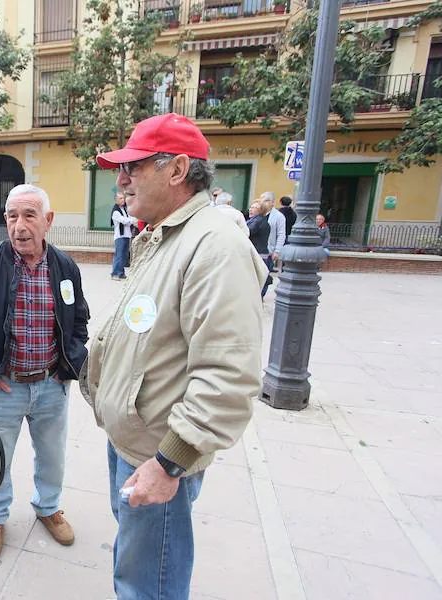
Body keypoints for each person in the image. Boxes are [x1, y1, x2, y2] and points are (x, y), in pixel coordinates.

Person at [87, 114, 267, 600]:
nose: (121, 180)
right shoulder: (168, 234)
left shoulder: (215, 246)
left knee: (149, 585)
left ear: (177, 169)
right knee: (136, 569)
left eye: (134, 167)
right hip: (134, 445)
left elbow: (227, 374)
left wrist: (170, 464)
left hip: (159, 456)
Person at [0, 183, 89, 561]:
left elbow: (79, 320)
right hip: (4, 387)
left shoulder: (65, 267)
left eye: (29, 215)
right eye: (12, 216)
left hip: (51, 385)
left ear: (48, 221)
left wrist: (69, 366)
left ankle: (48, 507)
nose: (19, 226)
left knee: (52, 455)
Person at [261, 196, 286, 299]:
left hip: (269, 250)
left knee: (265, 273)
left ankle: (261, 295)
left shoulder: (279, 216)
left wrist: (277, 250)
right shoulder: (259, 213)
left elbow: (281, 234)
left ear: (273, 202)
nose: (264, 202)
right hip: (257, 248)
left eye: (267, 200)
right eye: (263, 200)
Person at [110, 192, 137, 280]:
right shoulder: (116, 212)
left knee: (124, 256)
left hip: (127, 235)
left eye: (123, 198)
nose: (123, 200)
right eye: (120, 198)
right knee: (119, 255)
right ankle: (115, 273)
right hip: (120, 236)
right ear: (116, 200)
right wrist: (132, 220)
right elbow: (125, 221)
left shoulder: (125, 209)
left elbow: (130, 218)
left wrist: (131, 220)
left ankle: (121, 273)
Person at [247, 201, 272, 277]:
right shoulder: (258, 220)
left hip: (257, 253)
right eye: (250, 207)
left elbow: (246, 232)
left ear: (260, 210)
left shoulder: (257, 221)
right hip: (261, 252)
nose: (250, 209)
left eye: (253, 208)